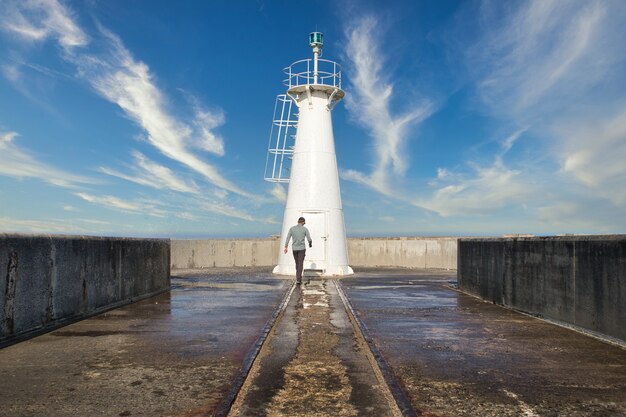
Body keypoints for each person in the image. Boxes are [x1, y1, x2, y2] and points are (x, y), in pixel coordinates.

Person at [283, 216, 312, 284]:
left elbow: (288, 238)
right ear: (303, 222)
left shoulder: (292, 229)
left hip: (294, 249)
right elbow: (309, 239)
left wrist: (286, 247)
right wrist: (310, 244)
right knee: (300, 263)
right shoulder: (305, 229)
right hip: (302, 249)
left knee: (297, 263)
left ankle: (298, 277)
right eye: (304, 222)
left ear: (298, 221)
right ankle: (298, 279)